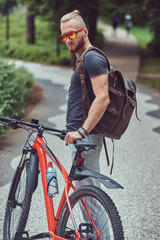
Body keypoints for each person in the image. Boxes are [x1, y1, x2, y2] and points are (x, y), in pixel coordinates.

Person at [59, 10, 110, 188]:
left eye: (72, 33)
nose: (68, 39)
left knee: (91, 200)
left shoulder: (92, 58)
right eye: (64, 36)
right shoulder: (83, 59)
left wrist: (82, 131)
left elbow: (103, 98)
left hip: (84, 138)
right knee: (85, 197)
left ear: (85, 32)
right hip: (79, 137)